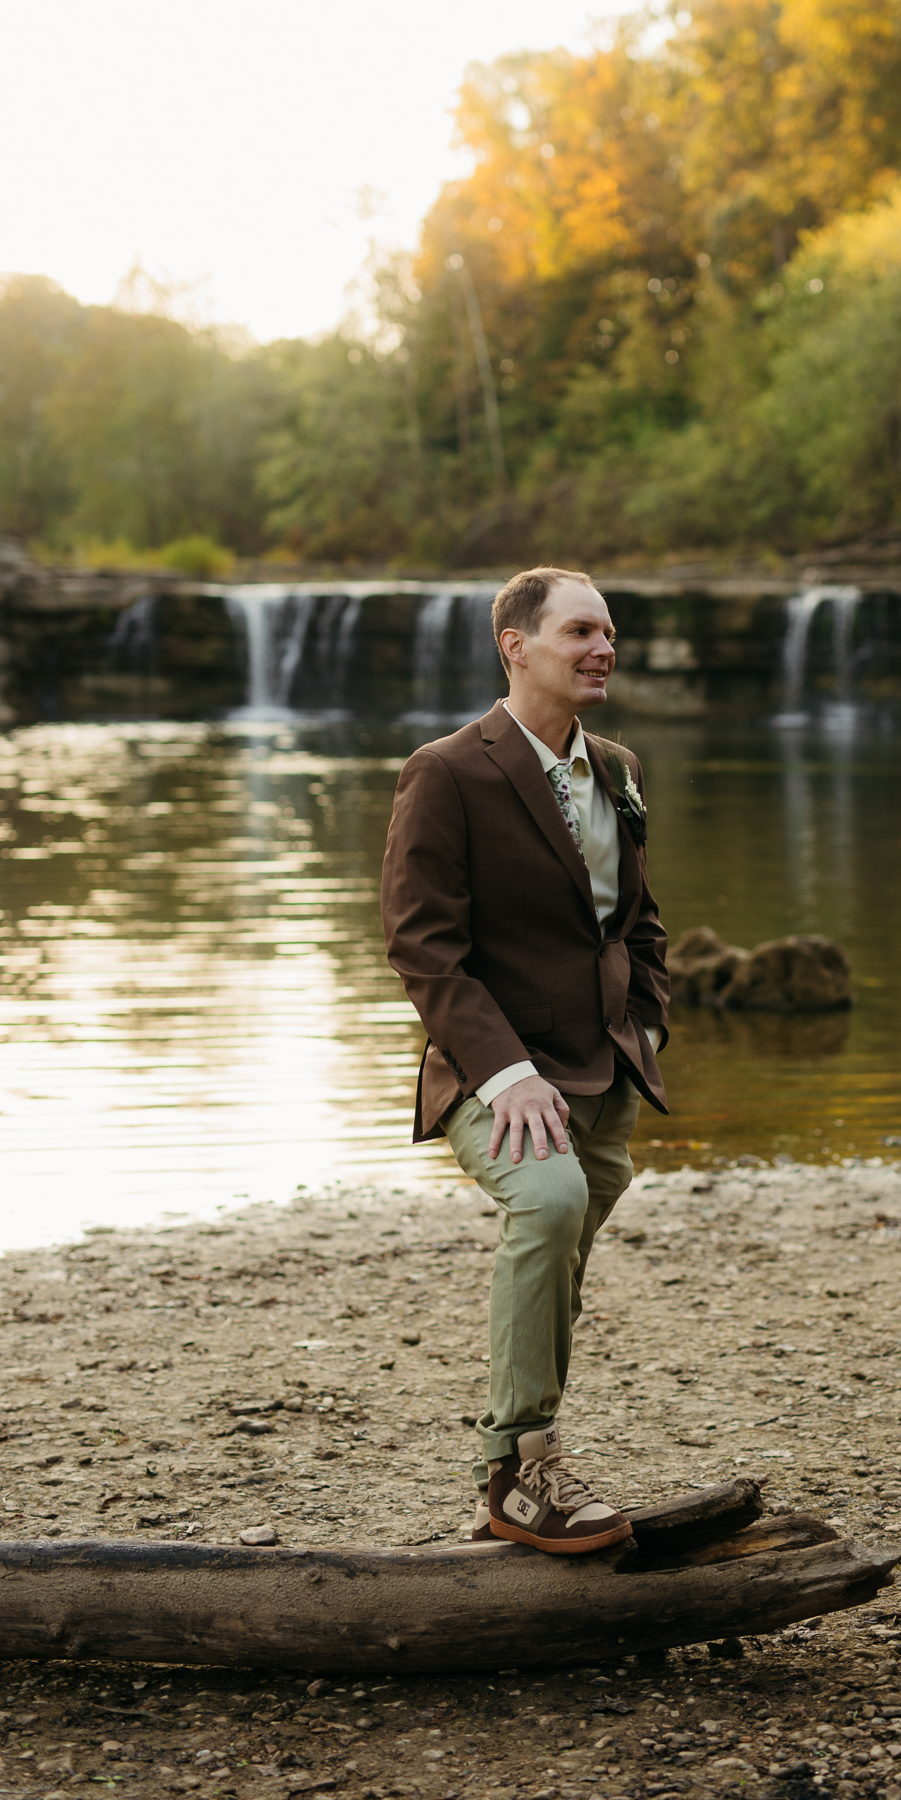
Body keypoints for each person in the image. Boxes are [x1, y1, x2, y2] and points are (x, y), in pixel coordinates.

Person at [380, 566, 671, 1554]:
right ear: (518, 645)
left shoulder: (620, 768)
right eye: (582, 631)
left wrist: (649, 1026)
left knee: (565, 1257)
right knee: (545, 1206)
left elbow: (638, 923)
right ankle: (518, 1469)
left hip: (604, 1066)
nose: (604, 648)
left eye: (610, 633)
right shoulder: (448, 770)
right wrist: (505, 1071)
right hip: (493, 1070)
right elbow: (422, 944)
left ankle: (526, 1468)